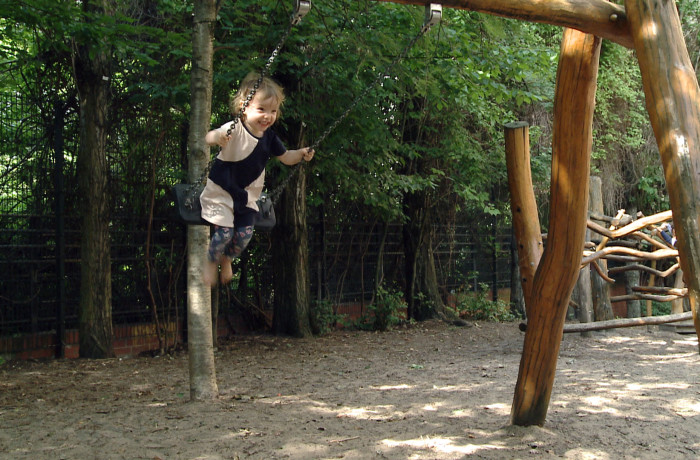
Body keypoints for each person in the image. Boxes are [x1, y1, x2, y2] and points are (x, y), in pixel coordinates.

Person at [201, 72, 315, 285]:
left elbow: (286, 157)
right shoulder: (236, 128)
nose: (268, 116)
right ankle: (210, 261)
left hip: (245, 198)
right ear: (244, 106)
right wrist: (218, 138)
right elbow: (209, 136)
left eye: (273, 111)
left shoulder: (270, 138)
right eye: (261, 109)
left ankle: (226, 259)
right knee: (224, 233)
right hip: (222, 193)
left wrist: (301, 153)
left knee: (243, 235)